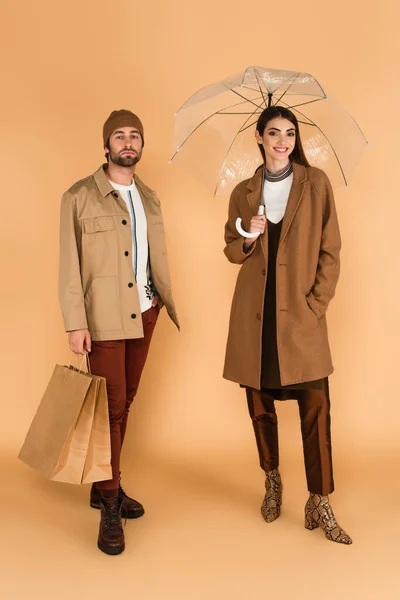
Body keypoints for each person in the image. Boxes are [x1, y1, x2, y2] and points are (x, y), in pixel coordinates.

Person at [223, 106, 352, 544]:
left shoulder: (316, 184)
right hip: (255, 317)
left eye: (290, 133)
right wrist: (248, 237)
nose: (283, 140)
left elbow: (331, 251)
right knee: (260, 406)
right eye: (274, 133)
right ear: (258, 137)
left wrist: (316, 305)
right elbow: (230, 250)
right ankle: (272, 480)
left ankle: (320, 498)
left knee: (315, 407)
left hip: (301, 316)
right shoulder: (243, 191)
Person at [58, 109, 179, 555]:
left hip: (146, 313)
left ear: (141, 145)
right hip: (104, 317)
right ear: (106, 145)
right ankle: (110, 503)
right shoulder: (79, 197)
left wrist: (161, 300)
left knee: (124, 402)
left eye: (135, 136)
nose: (127, 143)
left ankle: (103, 485)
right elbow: (70, 265)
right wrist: (76, 322)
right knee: (110, 407)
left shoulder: (149, 197)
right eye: (119, 136)